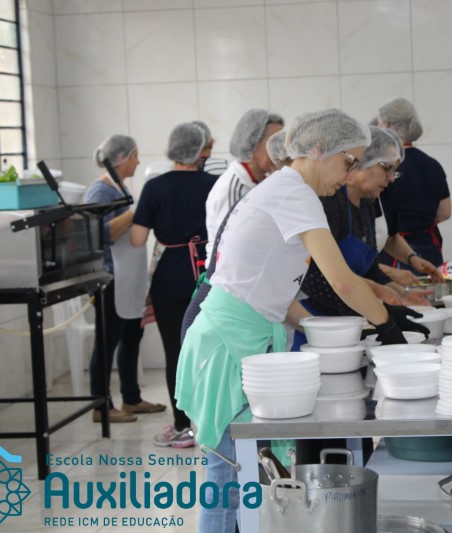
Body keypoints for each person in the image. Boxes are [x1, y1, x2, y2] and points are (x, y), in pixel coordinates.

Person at [175, 109, 425, 533]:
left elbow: (277, 292)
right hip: (227, 343)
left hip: (243, 337)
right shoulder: (295, 194)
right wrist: (386, 324)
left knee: (246, 471)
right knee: (228, 474)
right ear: (319, 149)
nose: (350, 175)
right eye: (348, 162)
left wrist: (336, 327)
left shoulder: (287, 190)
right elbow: (341, 280)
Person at [291, 126, 435, 351]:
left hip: (350, 318)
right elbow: (317, 277)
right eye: (386, 168)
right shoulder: (330, 202)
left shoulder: (367, 207)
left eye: (394, 172)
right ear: (361, 164)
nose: (391, 179)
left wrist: (397, 293)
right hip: (314, 319)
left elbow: (370, 269)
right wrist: (379, 309)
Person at [130, 122, 218, 448]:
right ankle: (214, 424)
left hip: (168, 280)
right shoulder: (216, 184)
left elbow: (137, 239)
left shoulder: (155, 187)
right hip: (209, 276)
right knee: (213, 352)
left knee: (177, 353)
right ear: (201, 149)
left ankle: (182, 427)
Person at [83, 135, 166, 423]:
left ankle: (131, 399)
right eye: (134, 156)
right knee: (107, 342)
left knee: (132, 335)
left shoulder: (118, 187)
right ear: (120, 158)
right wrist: (135, 211)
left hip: (128, 279)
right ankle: (100, 406)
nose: (138, 162)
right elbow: (102, 233)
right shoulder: (100, 191)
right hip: (108, 278)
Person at [376, 98, 452, 272]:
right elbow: (445, 212)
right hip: (430, 250)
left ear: (386, 125)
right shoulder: (433, 164)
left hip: (395, 253)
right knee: (432, 288)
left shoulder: (383, 167)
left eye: (378, 124)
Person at [204, 109, 284, 265]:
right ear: (251, 143)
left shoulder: (261, 181)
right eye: (274, 143)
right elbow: (232, 247)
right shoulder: (233, 189)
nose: (280, 151)